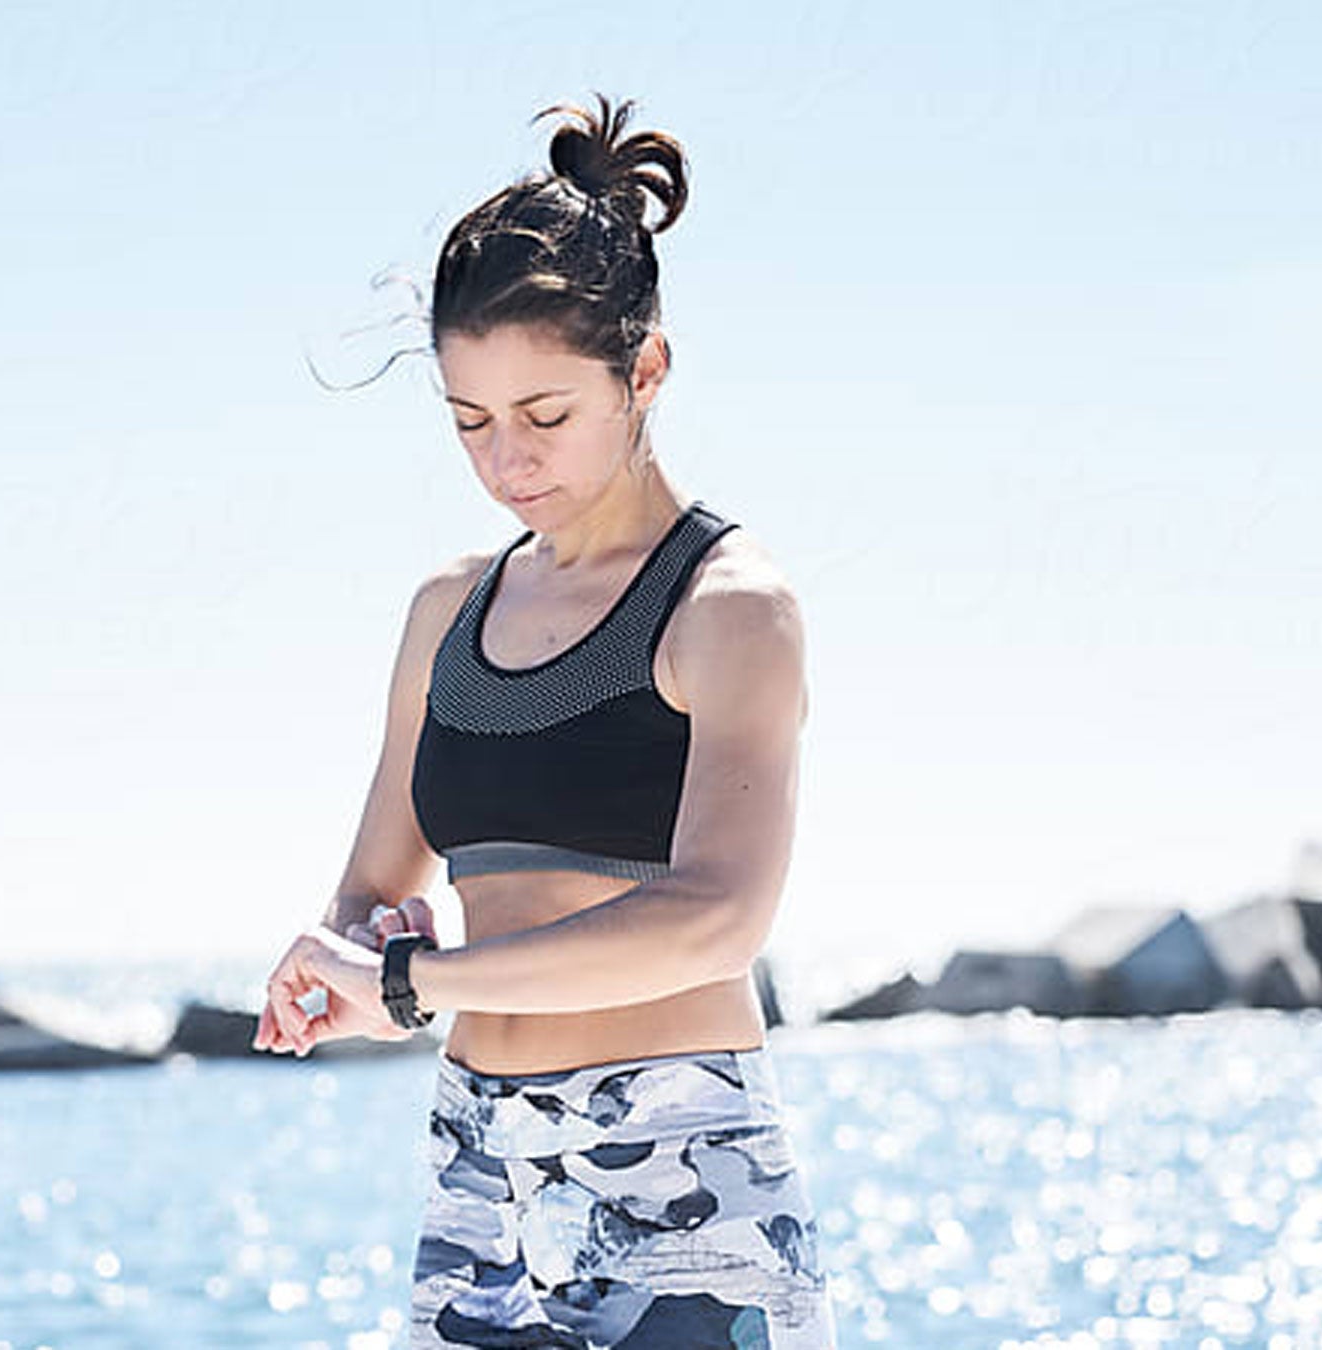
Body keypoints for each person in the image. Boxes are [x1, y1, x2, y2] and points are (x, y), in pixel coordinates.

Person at [253, 92, 839, 1349]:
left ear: (647, 372)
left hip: (678, 1157)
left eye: (546, 416)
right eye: (469, 421)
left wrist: (413, 981)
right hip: (480, 1164)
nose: (508, 459)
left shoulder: (728, 608)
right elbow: (376, 880)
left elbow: (719, 917)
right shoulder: (445, 612)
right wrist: (339, 959)